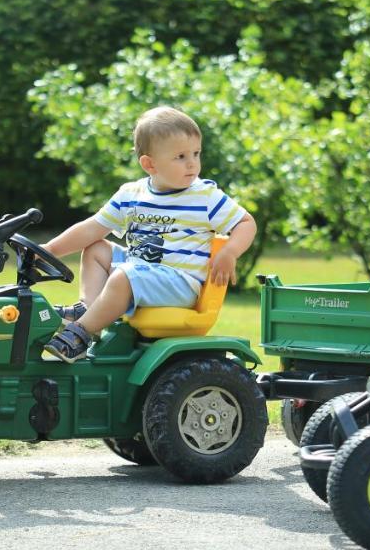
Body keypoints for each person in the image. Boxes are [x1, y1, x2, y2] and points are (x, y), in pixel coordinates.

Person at [39, 106, 257, 362]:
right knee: (97, 248)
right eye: (180, 156)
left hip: (180, 282)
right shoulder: (132, 194)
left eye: (196, 154)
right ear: (149, 164)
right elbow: (92, 227)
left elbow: (245, 222)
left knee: (124, 276)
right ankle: (87, 308)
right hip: (139, 271)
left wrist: (231, 251)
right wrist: (50, 251)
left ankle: (81, 334)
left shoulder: (204, 196)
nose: (192, 164)